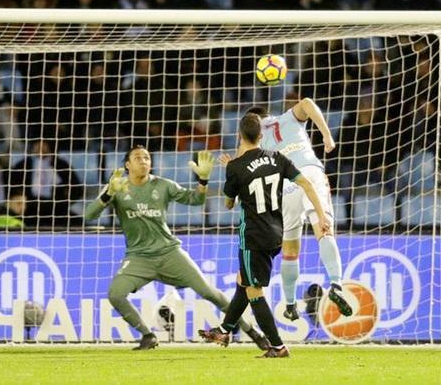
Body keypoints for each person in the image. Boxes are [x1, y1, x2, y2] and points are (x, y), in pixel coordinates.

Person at [84, 145, 270, 351]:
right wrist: (107, 194)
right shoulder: (117, 187)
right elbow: (88, 216)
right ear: (127, 164)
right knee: (115, 294)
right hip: (138, 258)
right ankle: (147, 335)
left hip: (169, 253)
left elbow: (195, 199)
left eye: (147, 157)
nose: (144, 161)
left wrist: (203, 180)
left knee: (209, 292)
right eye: (138, 158)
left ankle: (253, 332)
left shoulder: (162, 185)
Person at [198, 113, 331, 358]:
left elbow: (228, 204)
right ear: (262, 136)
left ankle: (278, 346)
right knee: (244, 279)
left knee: (253, 290)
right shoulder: (278, 158)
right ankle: (224, 329)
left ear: (239, 135)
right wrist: (322, 216)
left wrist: (231, 171)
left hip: (253, 236)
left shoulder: (235, 167)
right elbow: (307, 185)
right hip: (275, 233)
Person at [247, 98, 352, 322]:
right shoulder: (287, 118)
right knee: (324, 230)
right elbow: (306, 103)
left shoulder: (255, 140)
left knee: (290, 249)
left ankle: (290, 304)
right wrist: (326, 134)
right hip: (308, 173)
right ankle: (336, 284)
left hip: (284, 187)